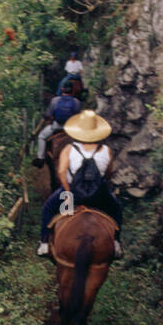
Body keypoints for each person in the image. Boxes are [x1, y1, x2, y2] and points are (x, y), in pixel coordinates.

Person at [38, 109, 123, 259]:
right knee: (116, 208)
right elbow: (109, 173)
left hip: (72, 197)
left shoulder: (69, 149)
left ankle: (44, 243)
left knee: (48, 208)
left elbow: (61, 173)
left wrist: (68, 190)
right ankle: (116, 243)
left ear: (78, 131)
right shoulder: (106, 150)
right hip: (98, 196)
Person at [33, 79, 82, 166]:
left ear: (62, 89)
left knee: (41, 136)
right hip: (71, 129)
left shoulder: (55, 100)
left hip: (57, 126)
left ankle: (40, 158)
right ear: (72, 90)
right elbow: (78, 117)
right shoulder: (77, 102)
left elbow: (49, 115)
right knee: (83, 140)